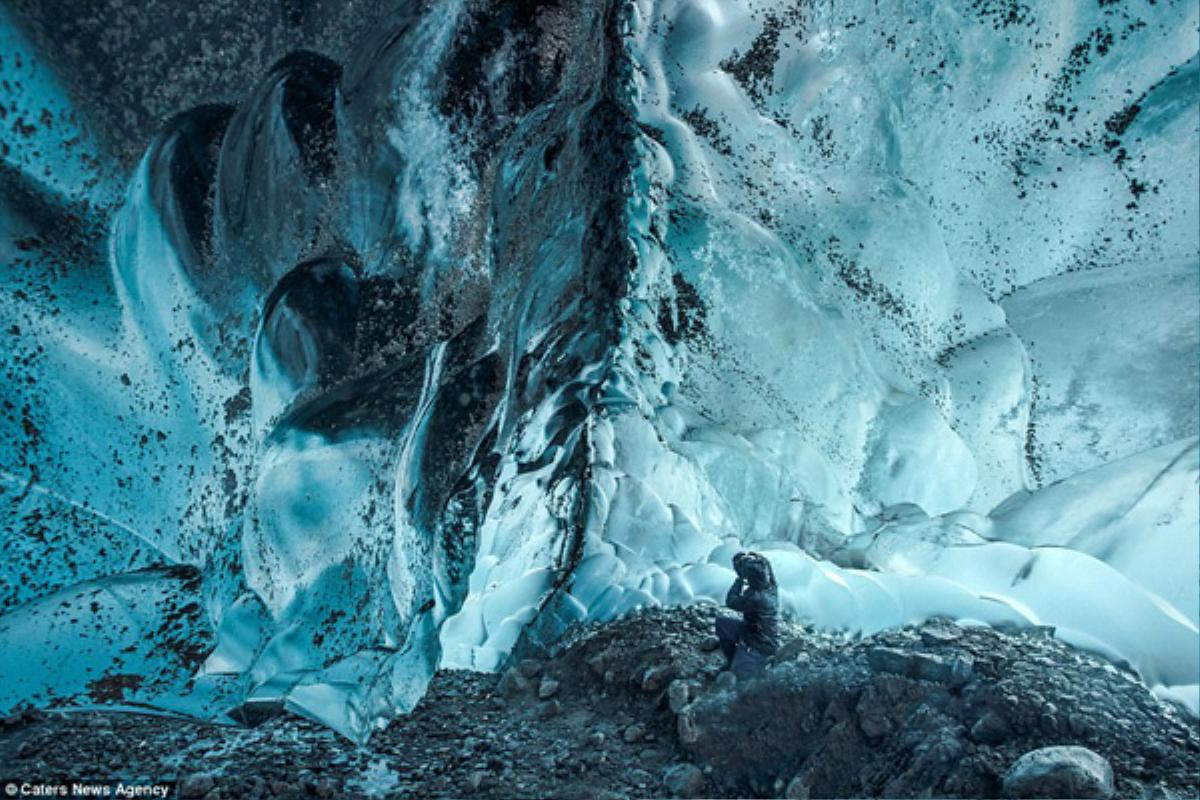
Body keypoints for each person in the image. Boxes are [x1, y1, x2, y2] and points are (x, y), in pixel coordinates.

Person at [715, 551, 780, 676]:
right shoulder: (772, 587)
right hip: (758, 632)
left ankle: (746, 660)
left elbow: (731, 601)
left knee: (738, 674)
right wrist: (758, 558)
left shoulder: (755, 596)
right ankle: (737, 658)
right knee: (723, 624)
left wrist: (739, 579)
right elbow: (768, 566)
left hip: (759, 643)